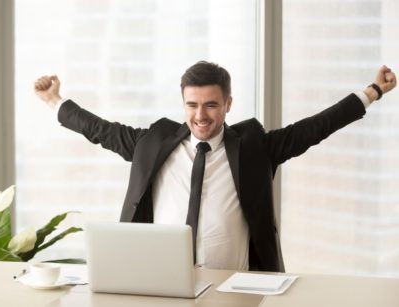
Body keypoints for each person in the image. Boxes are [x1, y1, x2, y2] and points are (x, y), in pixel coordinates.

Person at [34, 61, 396, 272]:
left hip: (235, 287)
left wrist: (371, 92)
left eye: (210, 105)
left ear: (227, 104)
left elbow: (315, 128)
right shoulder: (153, 143)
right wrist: (55, 101)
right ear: (183, 103)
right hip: (164, 286)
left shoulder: (255, 148)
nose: (200, 115)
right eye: (192, 105)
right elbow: (101, 130)